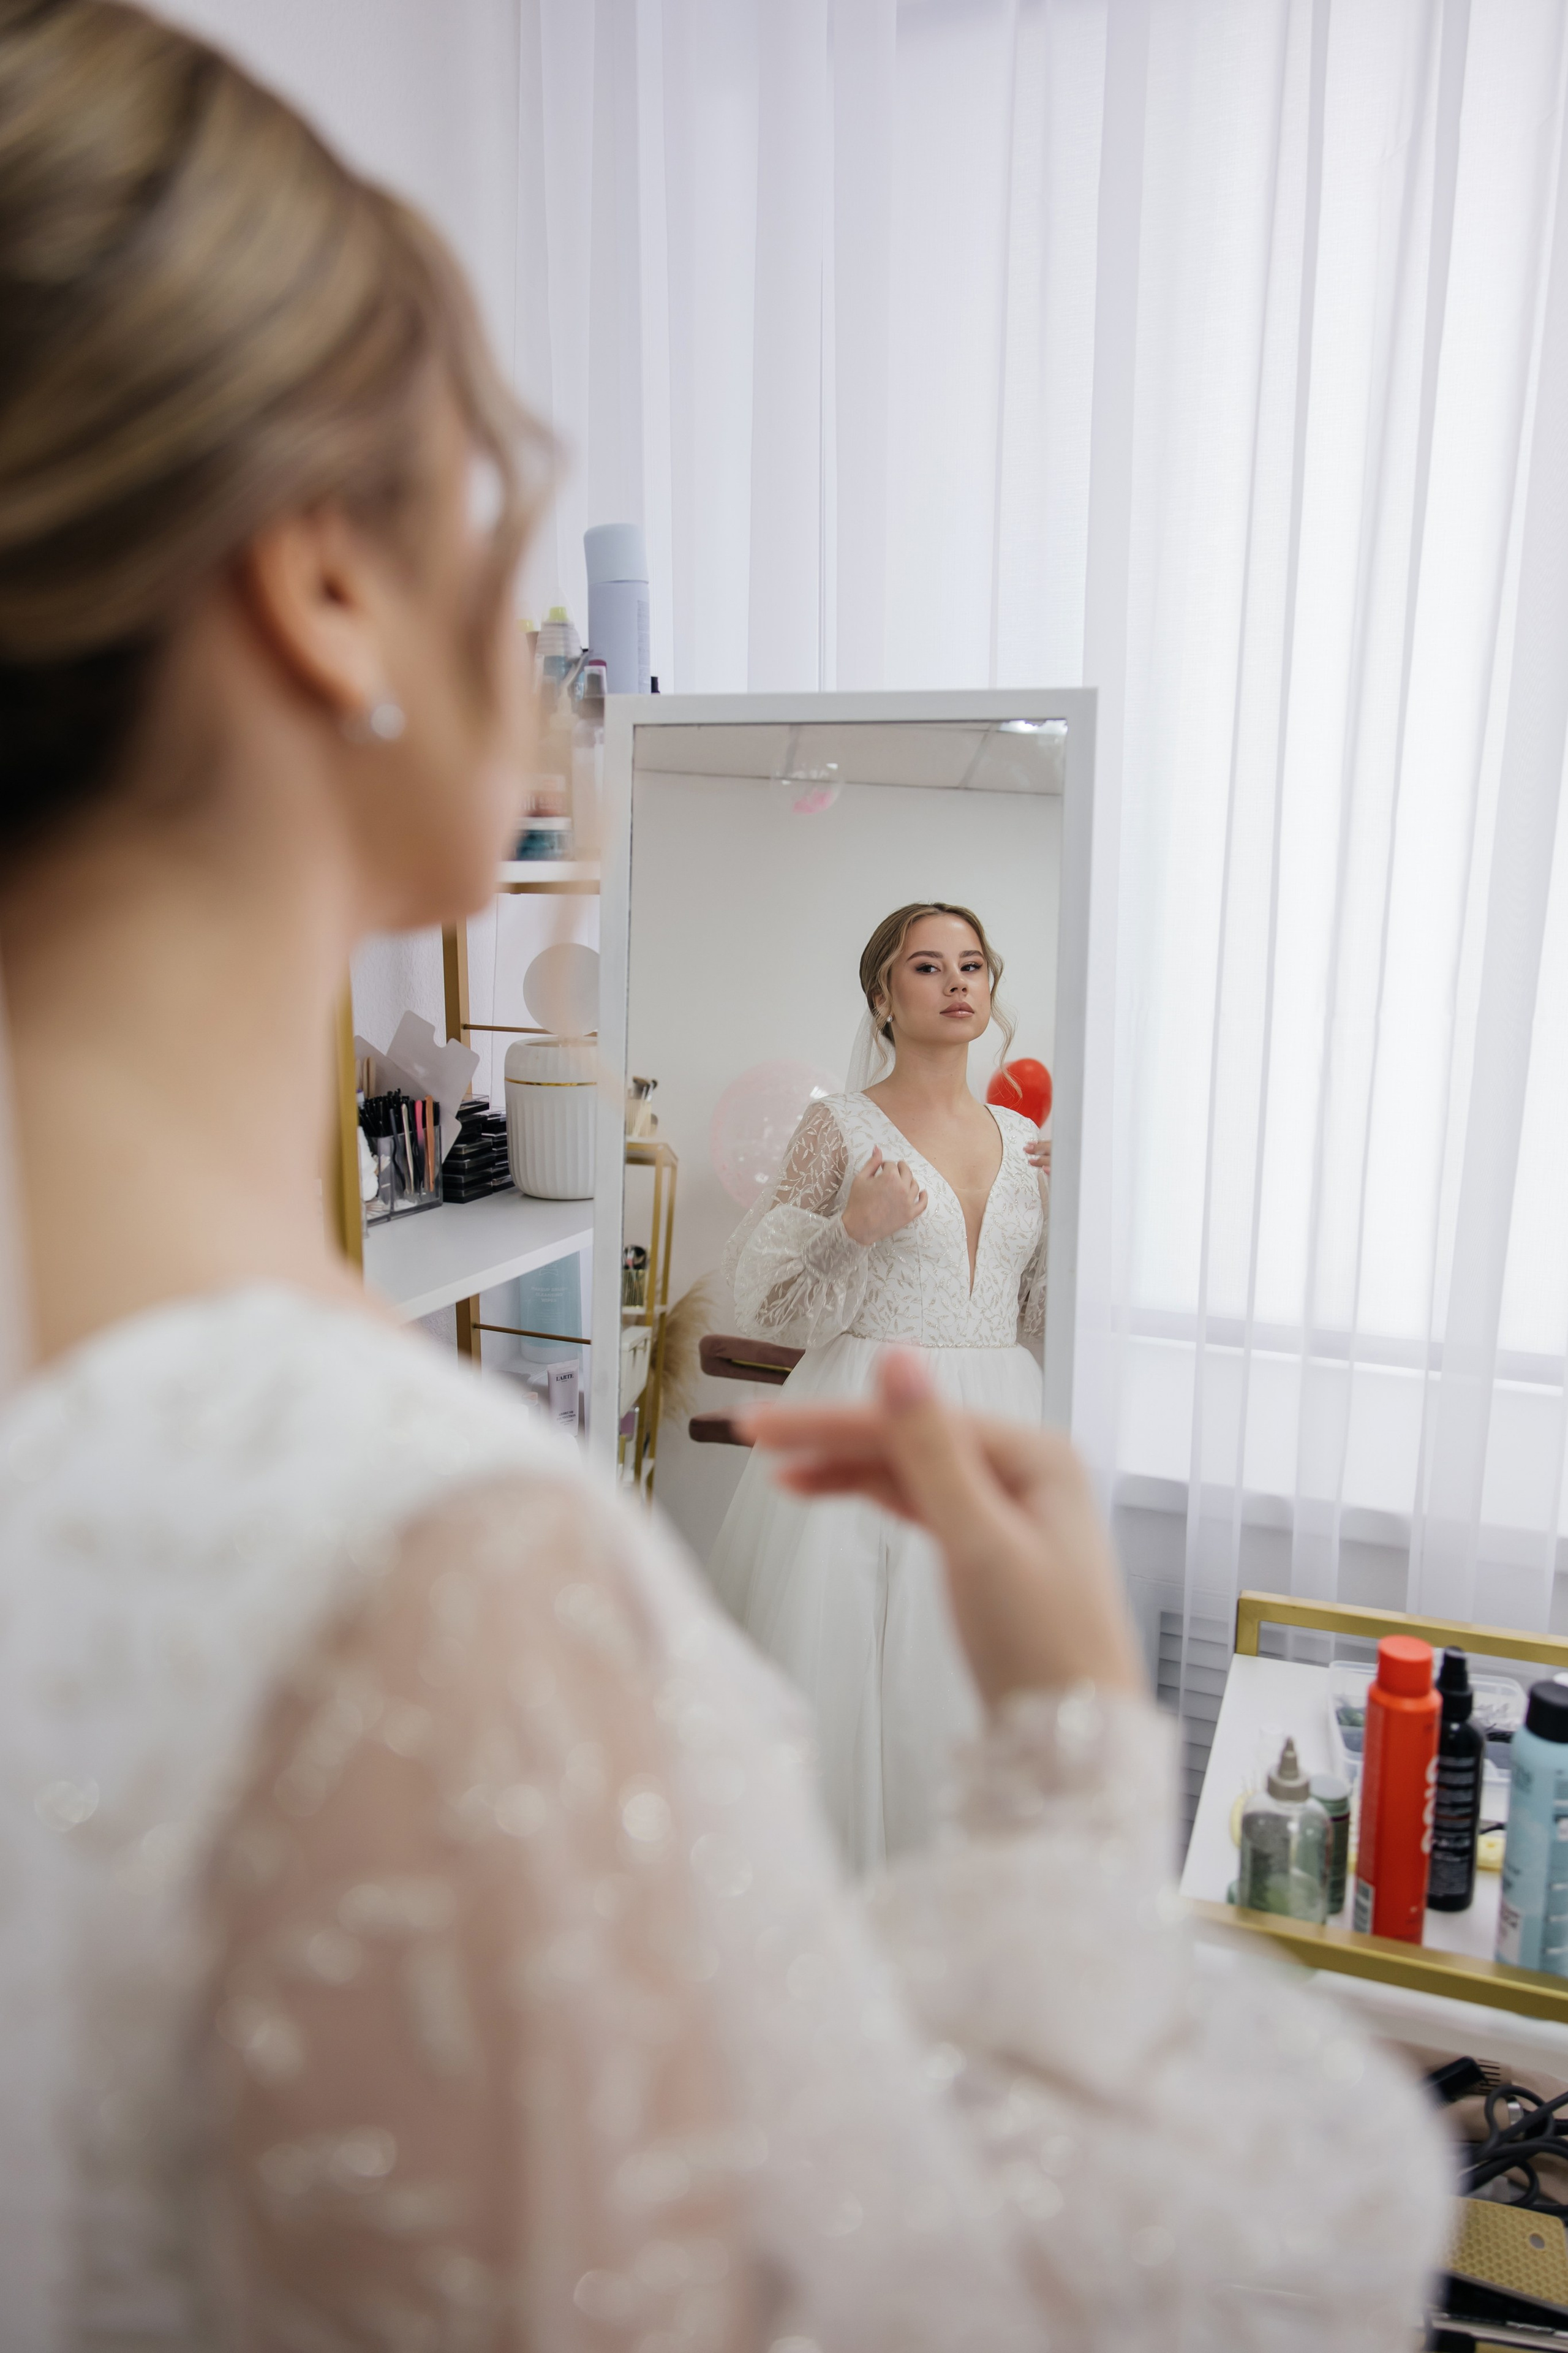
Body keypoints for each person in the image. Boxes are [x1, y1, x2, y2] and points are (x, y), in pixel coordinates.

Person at [0, 5, 1449, 2346]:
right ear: (324, 586)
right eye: (504, 507)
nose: (560, 639)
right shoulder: (418, 1570)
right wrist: (1080, 1762)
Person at [708, 906, 1056, 1867]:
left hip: (999, 1420)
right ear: (882, 997)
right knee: (860, 1667)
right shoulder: (841, 1126)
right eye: (929, 966)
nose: (958, 982)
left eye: (974, 965)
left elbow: (1037, 1318)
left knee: (976, 1673)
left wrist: (1082, 1219)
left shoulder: (1029, 1143)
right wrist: (854, 1225)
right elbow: (765, 1296)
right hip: (876, 1414)